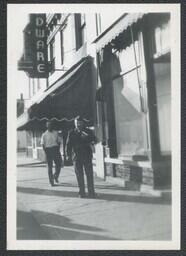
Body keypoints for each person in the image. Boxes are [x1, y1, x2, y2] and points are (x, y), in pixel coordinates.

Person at [66, 116, 97, 198]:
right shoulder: (71, 132)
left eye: (80, 123)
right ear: (74, 124)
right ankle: (81, 192)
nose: (78, 125)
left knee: (89, 174)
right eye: (76, 123)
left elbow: (94, 140)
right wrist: (68, 155)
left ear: (83, 123)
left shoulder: (88, 131)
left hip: (87, 156)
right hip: (76, 157)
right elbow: (68, 145)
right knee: (79, 175)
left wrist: (87, 137)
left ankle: (91, 192)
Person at [41, 121, 63, 186]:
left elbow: (59, 141)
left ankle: (55, 176)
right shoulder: (44, 134)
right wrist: (46, 152)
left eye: (51, 125)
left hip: (55, 149)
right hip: (48, 151)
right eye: (48, 125)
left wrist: (58, 149)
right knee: (49, 167)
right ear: (46, 126)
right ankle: (51, 182)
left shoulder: (56, 133)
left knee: (59, 165)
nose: (50, 126)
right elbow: (42, 144)